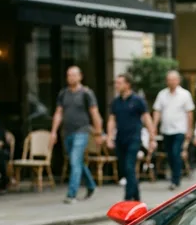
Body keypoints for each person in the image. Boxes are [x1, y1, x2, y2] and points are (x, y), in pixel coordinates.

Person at [50, 66, 104, 204]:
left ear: (80, 76)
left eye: (74, 75)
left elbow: (94, 113)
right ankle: (91, 185)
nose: (71, 78)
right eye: (69, 75)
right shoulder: (63, 94)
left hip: (82, 131)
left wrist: (98, 133)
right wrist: (53, 132)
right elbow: (58, 113)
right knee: (77, 162)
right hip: (67, 133)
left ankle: (71, 194)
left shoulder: (86, 93)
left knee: (75, 161)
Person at [107, 73, 156, 202]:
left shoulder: (138, 100)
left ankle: (128, 198)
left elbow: (146, 118)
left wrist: (152, 137)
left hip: (134, 138)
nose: (116, 85)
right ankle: (137, 197)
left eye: (119, 83)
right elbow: (111, 120)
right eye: (116, 83)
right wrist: (110, 137)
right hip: (120, 139)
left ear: (127, 84)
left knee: (129, 166)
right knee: (124, 169)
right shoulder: (116, 102)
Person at [153, 70, 194, 191]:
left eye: (173, 79)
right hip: (166, 130)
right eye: (169, 80)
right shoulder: (162, 94)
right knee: (170, 155)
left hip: (179, 129)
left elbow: (189, 113)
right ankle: (174, 175)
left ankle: (175, 179)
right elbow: (157, 111)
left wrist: (189, 129)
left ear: (178, 80)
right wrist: (154, 126)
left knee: (176, 153)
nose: (171, 82)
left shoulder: (185, 94)